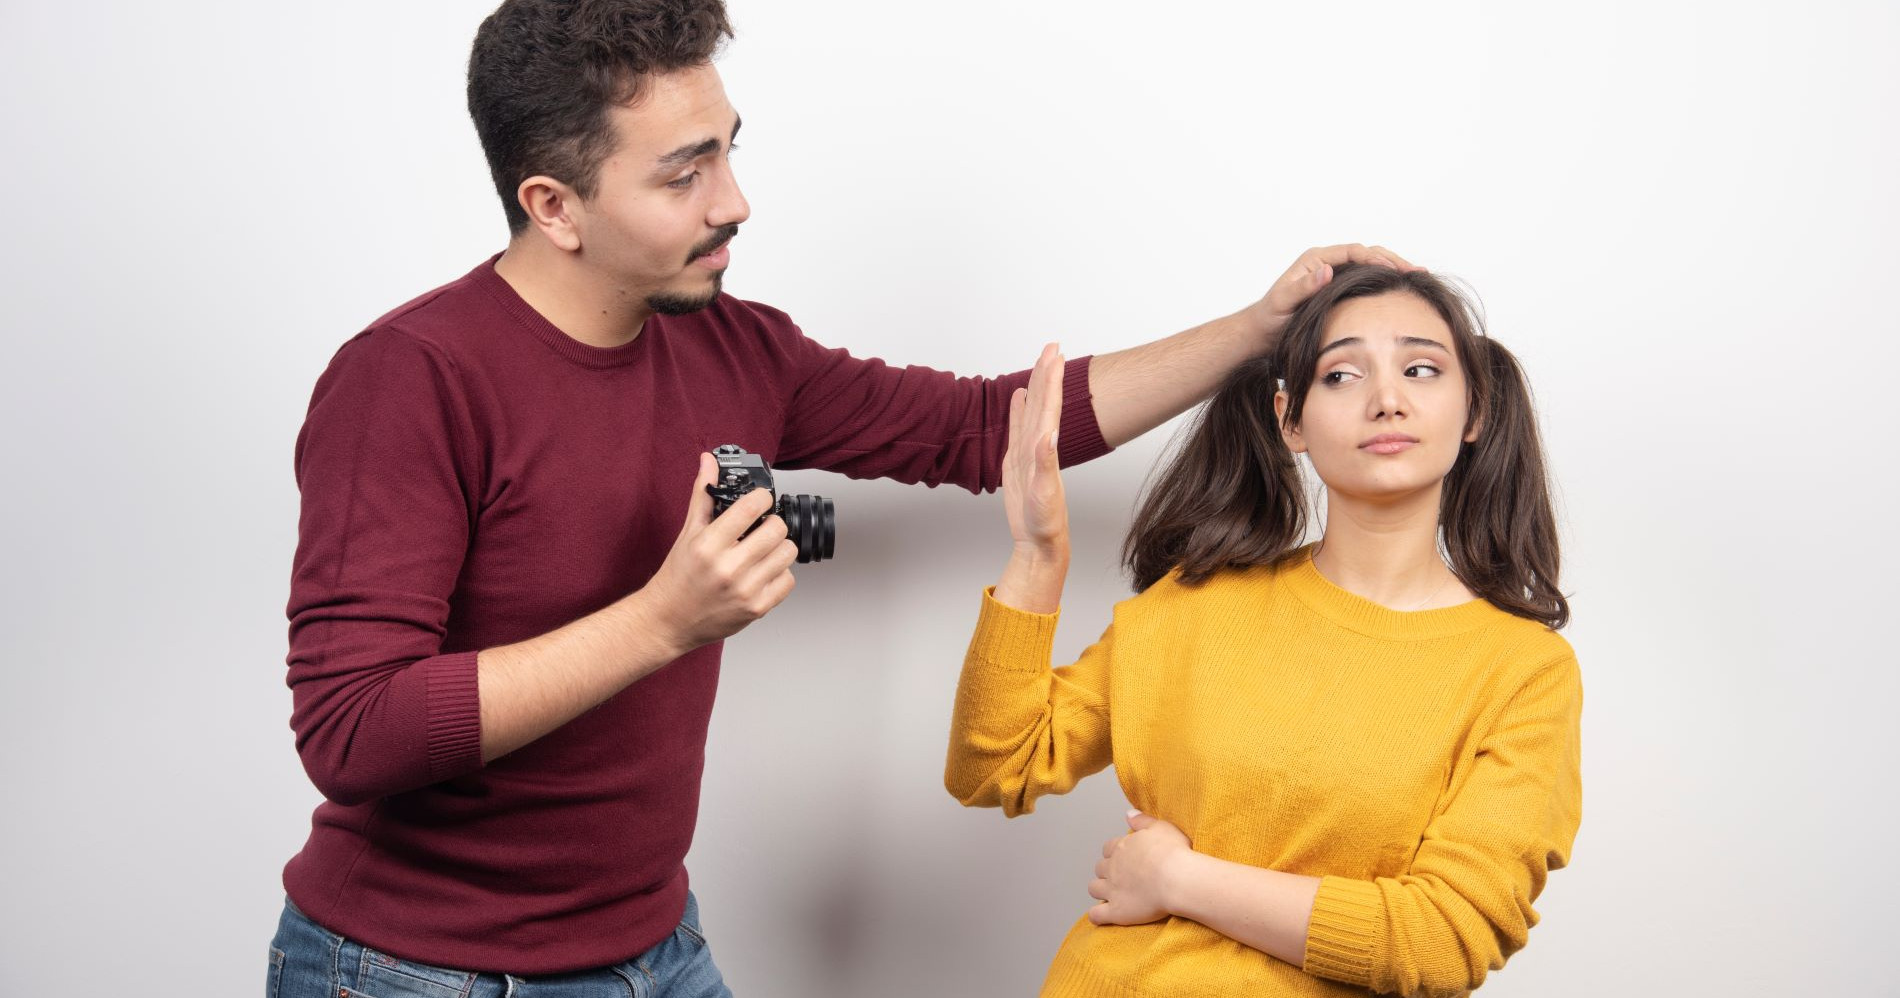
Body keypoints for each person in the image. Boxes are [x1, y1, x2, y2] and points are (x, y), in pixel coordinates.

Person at [264, 0, 1413, 995]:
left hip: (649, 945)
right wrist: (665, 617)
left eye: (727, 150)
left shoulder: (737, 350)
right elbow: (352, 728)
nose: (736, 201)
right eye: (684, 173)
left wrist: (1258, 330)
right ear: (554, 205)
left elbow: (982, 430)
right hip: (418, 968)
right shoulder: (409, 378)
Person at [946, 263, 1582, 997]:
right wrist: (1038, 556)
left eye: (1420, 368)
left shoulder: (1524, 671)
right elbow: (993, 765)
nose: (1386, 400)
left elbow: (1440, 942)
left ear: (1474, 413)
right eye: (1341, 375)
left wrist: (1179, 881)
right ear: (1291, 421)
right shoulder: (1197, 603)